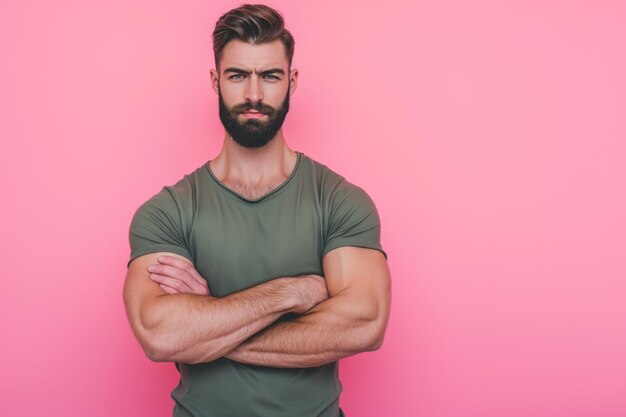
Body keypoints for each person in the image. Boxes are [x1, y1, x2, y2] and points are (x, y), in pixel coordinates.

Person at [123, 4, 391, 417]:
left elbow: (365, 323)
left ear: (292, 80)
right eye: (237, 75)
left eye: (269, 76)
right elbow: (160, 334)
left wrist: (209, 323)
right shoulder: (168, 211)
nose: (253, 94)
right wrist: (293, 292)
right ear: (216, 81)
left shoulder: (339, 200)